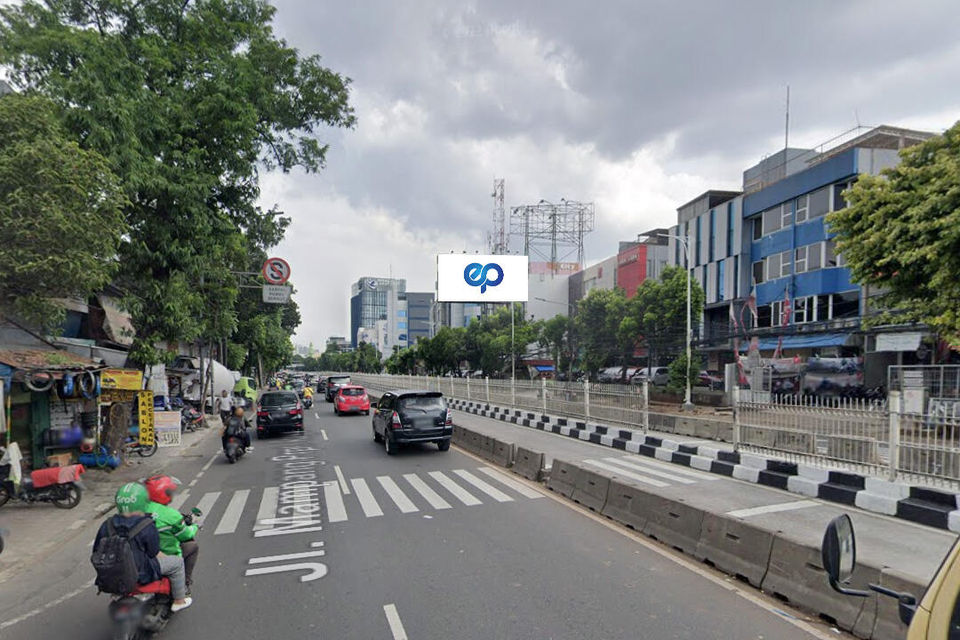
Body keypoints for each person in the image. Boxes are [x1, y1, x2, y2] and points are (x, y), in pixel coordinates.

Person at [94, 483, 192, 611]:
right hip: (142, 572)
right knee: (177, 563)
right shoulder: (146, 524)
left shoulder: (106, 525)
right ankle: (179, 600)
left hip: (113, 574)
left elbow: (96, 550)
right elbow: (153, 552)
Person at [144, 475, 200, 594]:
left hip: (141, 557)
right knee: (193, 547)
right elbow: (186, 535)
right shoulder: (171, 515)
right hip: (165, 556)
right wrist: (195, 526)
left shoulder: (139, 509)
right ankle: (185, 584)